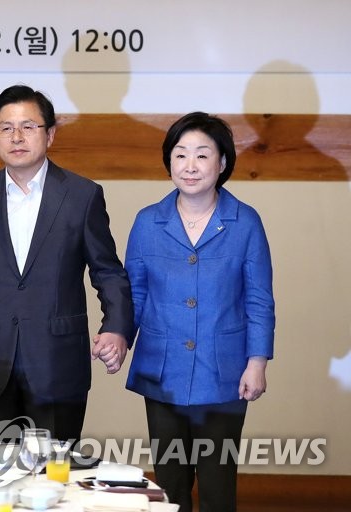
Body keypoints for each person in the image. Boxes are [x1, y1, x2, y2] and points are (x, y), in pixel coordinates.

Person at [0, 85, 133, 442]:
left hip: (58, 362)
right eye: (6, 128)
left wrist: (117, 328)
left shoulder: (82, 195)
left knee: (55, 470)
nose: (17, 137)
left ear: (50, 134)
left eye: (28, 126)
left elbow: (107, 271)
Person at [123, 112, 274, 512]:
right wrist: (119, 338)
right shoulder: (148, 222)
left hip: (224, 374)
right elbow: (134, 294)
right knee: (169, 485)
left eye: (202, 155)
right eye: (180, 155)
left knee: (217, 486)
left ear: (222, 163)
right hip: (162, 372)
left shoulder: (245, 222)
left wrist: (257, 362)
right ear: (169, 161)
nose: (190, 166)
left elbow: (259, 299)